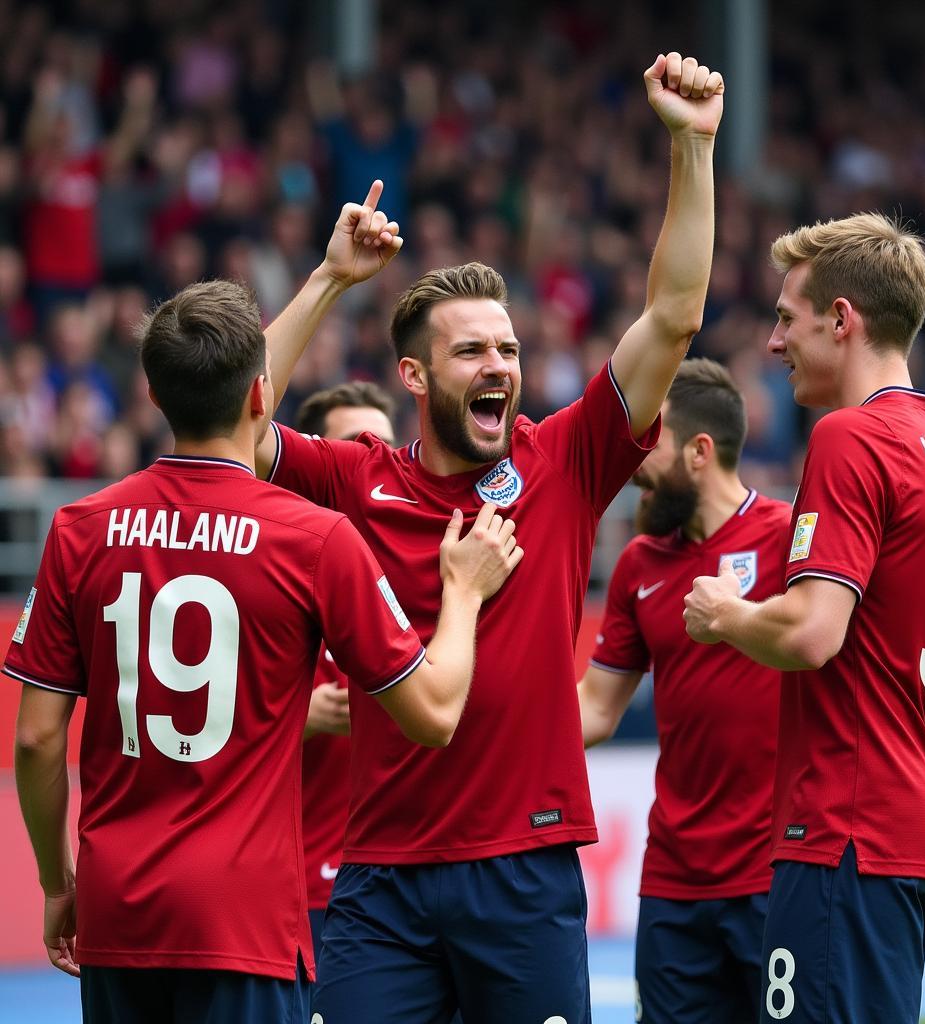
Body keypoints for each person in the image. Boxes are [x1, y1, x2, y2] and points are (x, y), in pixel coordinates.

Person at [255, 52, 725, 1024]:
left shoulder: (565, 459)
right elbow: (237, 416)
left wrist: (692, 146)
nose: (498, 363)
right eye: (471, 350)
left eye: (508, 347)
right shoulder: (358, 479)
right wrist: (330, 279)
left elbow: (674, 315)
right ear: (416, 378)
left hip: (523, 865)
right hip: (380, 875)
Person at [5, 274, 523, 1024]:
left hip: (117, 916)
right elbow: (434, 714)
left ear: (153, 398)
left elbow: (36, 737)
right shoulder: (312, 537)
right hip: (246, 925)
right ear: (262, 395)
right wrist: (466, 593)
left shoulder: (79, 528)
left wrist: (59, 883)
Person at [683, 213, 925, 1024]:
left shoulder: (852, 438)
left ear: (842, 320)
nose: (775, 343)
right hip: (913, 825)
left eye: (788, 318)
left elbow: (815, 632)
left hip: (845, 827)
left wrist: (724, 614)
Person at [578, 358, 790, 1023]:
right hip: (674, 878)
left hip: (775, 872)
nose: (636, 458)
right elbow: (595, 708)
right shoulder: (640, 562)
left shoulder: (789, 539)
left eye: (653, 441)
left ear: (700, 452)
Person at [294, 381, 397, 963]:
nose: (369, 466)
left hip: (403, 887)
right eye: (352, 449)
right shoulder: (269, 582)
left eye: (381, 449)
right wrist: (296, 720)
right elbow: (185, 738)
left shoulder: (427, 582)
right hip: (298, 891)